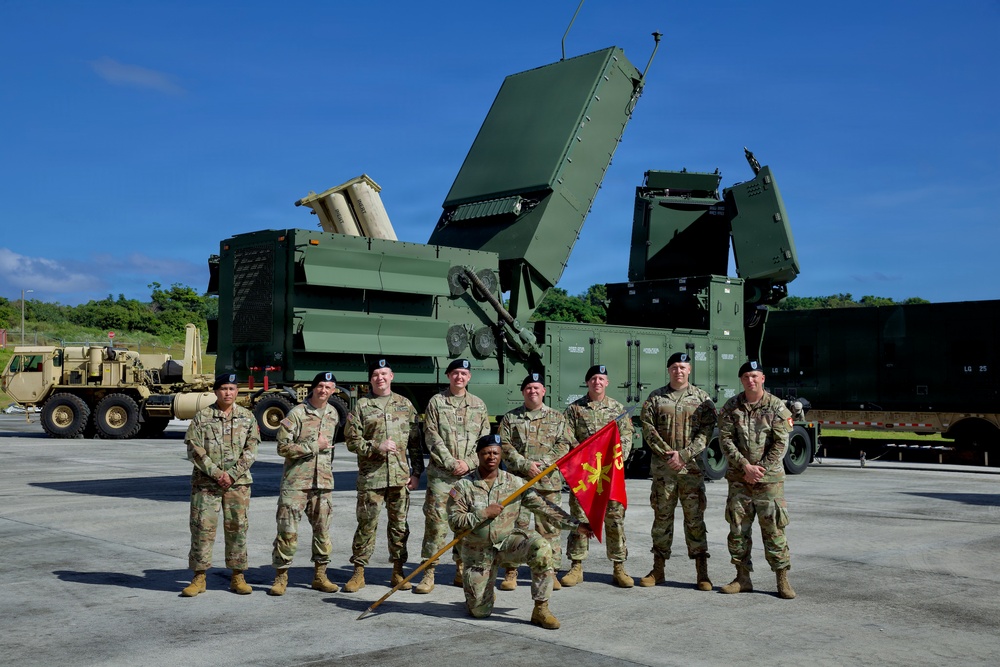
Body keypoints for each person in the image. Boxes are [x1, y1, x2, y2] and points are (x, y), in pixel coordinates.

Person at [447, 434, 593, 629]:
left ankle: (541, 609)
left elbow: (545, 508)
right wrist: (483, 513)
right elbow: (455, 522)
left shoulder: (514, 483)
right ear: (478, 455)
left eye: (495, 453)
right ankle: (484, 591)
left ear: (500, 456)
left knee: (541, 547)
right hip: (478, 552)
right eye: (486, 453)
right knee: (479, 612)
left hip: (508, 543)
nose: (491, 457)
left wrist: (576, 525)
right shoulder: (463, 486)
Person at [342, 358, 424, 593]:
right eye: (376, 374)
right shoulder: (361, 406)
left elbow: (415, 444)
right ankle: (358, 572)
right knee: (366, 525)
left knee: (399, 527)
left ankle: (398, 571)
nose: (380, 377)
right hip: (372, 477)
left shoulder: (405, 405)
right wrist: (375, 446)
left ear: (392, 376)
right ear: (370, 379)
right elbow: (351, 440)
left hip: (399, 478)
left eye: (384, 373)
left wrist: (416, 473)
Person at [718, 360, 796, 599]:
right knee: (738, 529)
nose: (750, 380)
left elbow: (781, 443)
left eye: (754, 376)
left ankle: (782, 579)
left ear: (763, 378)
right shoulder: (732, 406)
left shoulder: (776, 407)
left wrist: (759, 469)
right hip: (739, 479)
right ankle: (742, 578)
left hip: (768, 481)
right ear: (741, 380)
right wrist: (745, 466)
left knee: (774, 529)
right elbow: (725, 440)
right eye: (746, 377)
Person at [638, 352, 717, 590]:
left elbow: (707, 432)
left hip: (691, 470)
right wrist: (668, 454)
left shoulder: (702, 399)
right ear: (668, 370)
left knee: (695, 521)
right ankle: (658, 569)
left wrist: (683, 455)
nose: (678, 371)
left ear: (689, 370)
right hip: (664, 472)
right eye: (674, 367)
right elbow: (648, 430)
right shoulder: (655, 398)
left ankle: (702, 573)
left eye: (682, 367)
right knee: (662, 520)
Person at [414, 359, 491, 594]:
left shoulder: (478, 405)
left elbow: (485, 440)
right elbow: (431, 435)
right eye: (456, 373)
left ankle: (460, 569)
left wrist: (467, 463)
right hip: (442, 475)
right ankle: (429, 572)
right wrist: (450, 463)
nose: (460, 377)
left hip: (468, 477)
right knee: (436, 524)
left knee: (466, 525)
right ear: (449, 376)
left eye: (464, 373)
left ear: (469, 378)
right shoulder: (437, 402)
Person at [181, 372, 260, 597]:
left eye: (232, 389)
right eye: (224, 388)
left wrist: (232, 474)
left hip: (238, 485)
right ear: (216, 391)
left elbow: (251, 449)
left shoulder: (247, 417)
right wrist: (216, 473)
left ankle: (238, 576)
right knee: (201, 529)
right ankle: (199, 577)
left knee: (237, 528)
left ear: (237, 392)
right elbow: (194, 450)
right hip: (206, 483)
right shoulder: (202, 417)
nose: (228, 393)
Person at [498, 372, 575, 592]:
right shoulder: (510, 418)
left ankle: (551, 571)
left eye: (537, 387)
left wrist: (543, 464)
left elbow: (563, 444)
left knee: (549, 528)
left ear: (544, 391)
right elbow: (504, 446)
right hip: (518, 482)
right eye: (529, 388)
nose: (533, 391)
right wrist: (525, 465)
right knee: (516, 527)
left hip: (548, 482)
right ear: (523, 392)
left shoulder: (557, 418)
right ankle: (511, 571)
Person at [561, 364, 635, 588]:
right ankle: (576, 566)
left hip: (609, 474)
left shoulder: (617, 409)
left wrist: (614, 461)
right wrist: (585, 459)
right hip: (584, 475)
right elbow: (566, 438)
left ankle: (619, 566)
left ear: (607, 383)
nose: (597, 382)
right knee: (580, 519)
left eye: (601, 379)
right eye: (593, 378)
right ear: (587, 382)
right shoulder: (574, 410)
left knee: (614, 519)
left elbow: (626, 437)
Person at [267, 372, 341, 596]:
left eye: (329, 387)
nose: (324, 390)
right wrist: (313, 446)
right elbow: (282, 447)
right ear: (313, 388)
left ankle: (320, 575)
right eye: (320, 386)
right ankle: (281, 577)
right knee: (287, 531)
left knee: (322, 532)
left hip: (323, 482)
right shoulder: (296, 413)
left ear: (334, 390)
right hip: (296, 482)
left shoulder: (333, 413)